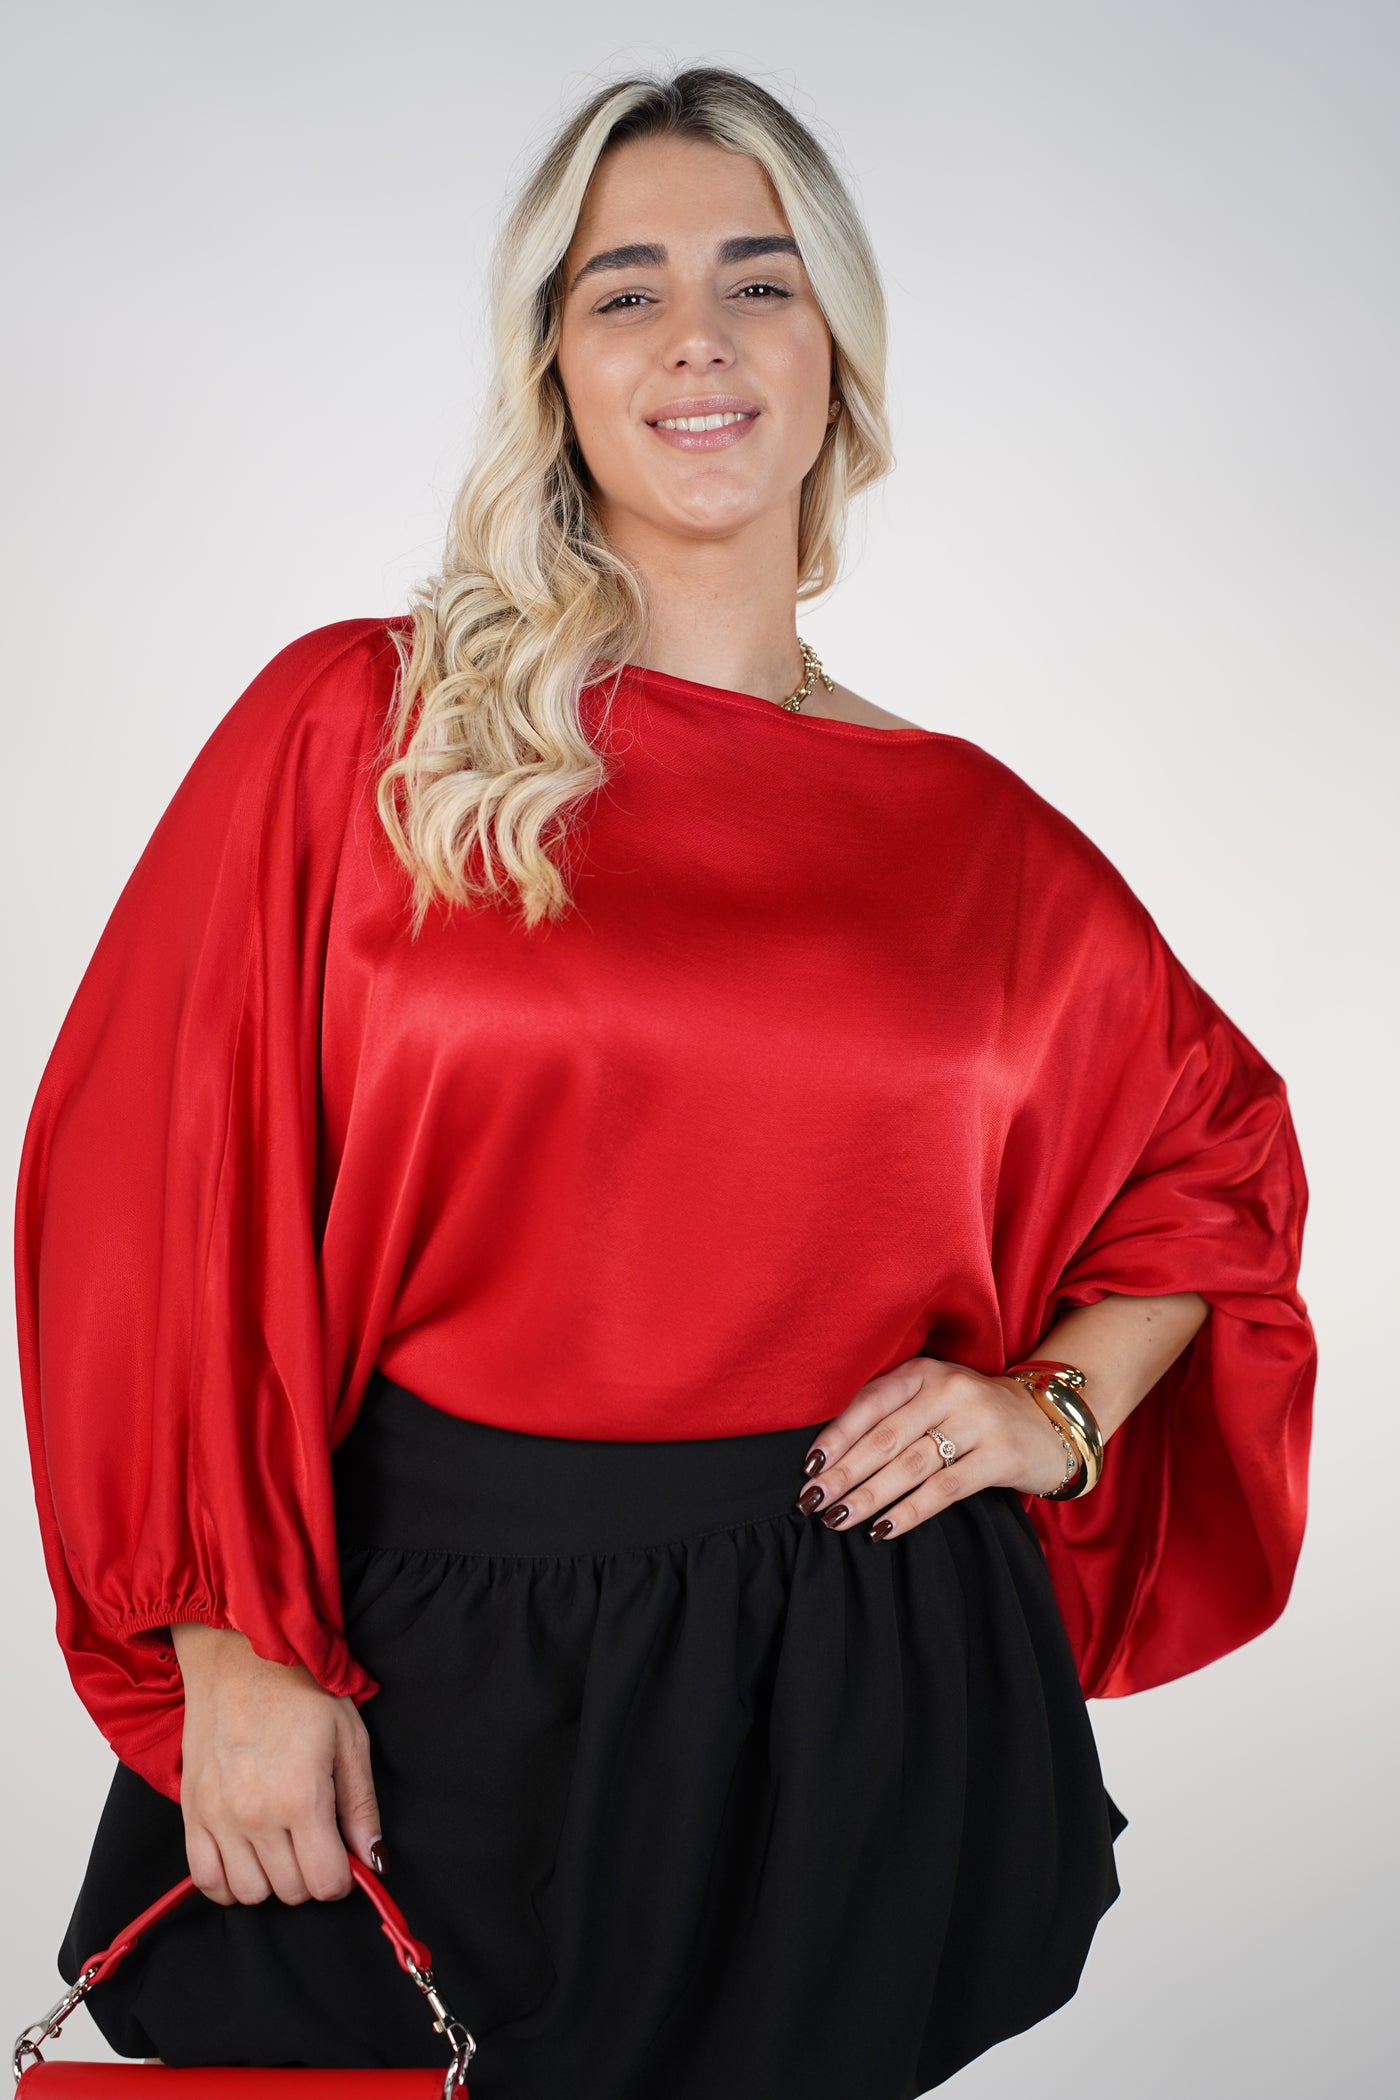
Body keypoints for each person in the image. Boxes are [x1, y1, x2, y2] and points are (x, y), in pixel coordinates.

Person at [14, 63, 1315, 2100]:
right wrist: (225, 1644)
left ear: (835, 357)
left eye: (757, 282)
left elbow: (1210, 1174)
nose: (696, 336)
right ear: (554, 364)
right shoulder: (361, 729)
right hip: (408, 1655)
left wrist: (1052, 1410)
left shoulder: (984, 845)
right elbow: (143, 1192)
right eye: (624, 290)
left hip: (853, 1678)